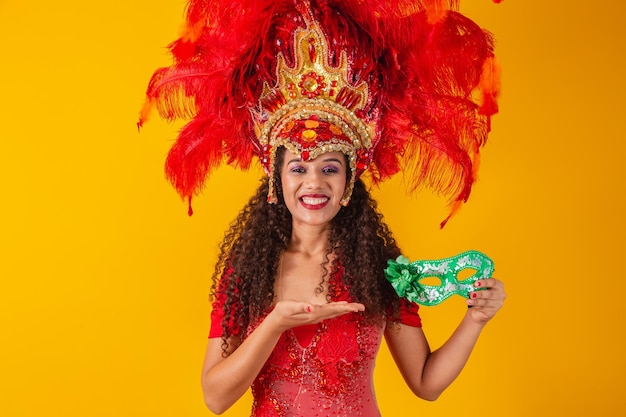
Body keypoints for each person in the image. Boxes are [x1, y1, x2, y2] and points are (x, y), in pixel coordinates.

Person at [139, 1, 506, 415]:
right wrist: (276, 322)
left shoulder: (380, 267)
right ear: (278, 179)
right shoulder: (247, 272)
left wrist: (475, 320)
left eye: (329, 167)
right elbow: (215, 397)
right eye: (298, 167)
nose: (314, 183)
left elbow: (426, 383)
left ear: (349, 180)